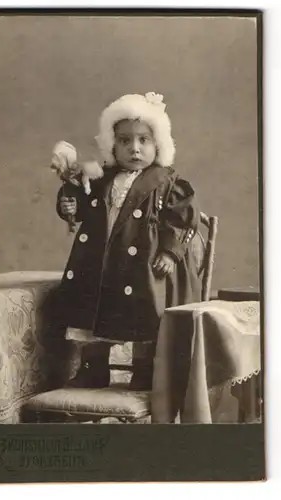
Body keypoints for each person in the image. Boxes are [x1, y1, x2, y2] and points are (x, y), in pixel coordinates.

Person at [54, 92, 202, 391]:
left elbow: (182, 219)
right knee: (91, 309)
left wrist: (170, 253)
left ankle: (145, 369)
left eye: (143, 140)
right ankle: (93, 368)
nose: (134, 148)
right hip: (101, 259)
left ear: (157, 144)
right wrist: (69, 205)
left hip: (141, 262)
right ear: (113, 144)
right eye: (125, 141)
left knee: (143, 313)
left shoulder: (165, 181)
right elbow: (83, 206)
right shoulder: (101, 178)